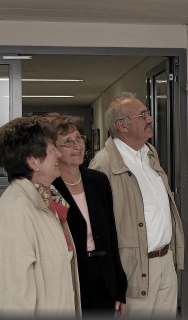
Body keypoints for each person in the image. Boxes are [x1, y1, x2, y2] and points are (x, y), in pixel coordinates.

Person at [89, 92, 185, 317]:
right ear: (123, 125)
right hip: (133, 268)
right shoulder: (103, 164)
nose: (150, 119)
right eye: (143, 115)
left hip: (164, 261)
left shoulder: (149, 153)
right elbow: (99, 228)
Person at [0, 116, 81, 317]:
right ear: (33, 161)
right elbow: (12, 302)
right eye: (51, 149)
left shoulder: (47, 201)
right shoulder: (14, 214)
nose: (58, 153)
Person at [46, 113, 127, 317]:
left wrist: (120, 286)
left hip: (104, 275)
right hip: (72, 275)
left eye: (79, 138)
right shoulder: (49, 188)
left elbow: (110, 235)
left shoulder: (98, 181)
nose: (78, 146)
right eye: (68, 142)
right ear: (53, 150)